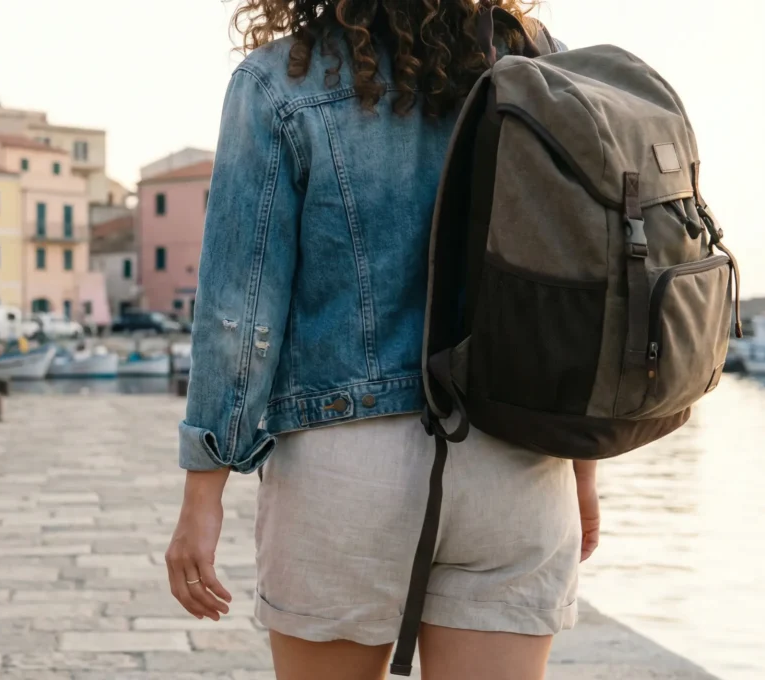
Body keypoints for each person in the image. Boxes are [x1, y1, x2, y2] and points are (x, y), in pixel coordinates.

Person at [165, 2, 599, 679]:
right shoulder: (536, 58)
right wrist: (583, 467)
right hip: (516, 461)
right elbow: (583, 282)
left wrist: (203, 492)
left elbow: (241, 309)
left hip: (346, 465)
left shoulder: (279, 81)